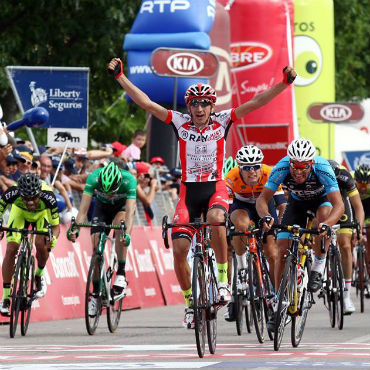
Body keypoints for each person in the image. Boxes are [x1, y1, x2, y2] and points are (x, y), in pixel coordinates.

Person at [107, 57, 297, 328]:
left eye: (203, 103)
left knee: (217, 219)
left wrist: (283, 83)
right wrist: (120, 78)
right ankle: (189, 304)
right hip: (188, 191)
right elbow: (148, 103)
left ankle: (222, 281)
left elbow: (255, 103)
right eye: (193, 103)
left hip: (214, 187)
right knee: (180, 249)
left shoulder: (223, 120)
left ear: (211, 106)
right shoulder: (179, 121)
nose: (198, 108)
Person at [256, 138, 344, 310]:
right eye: (294, 166)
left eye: (303, 167)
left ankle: (318, 266)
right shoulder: (281, 168)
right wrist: (266, 216)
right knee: (282, 248)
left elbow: (339, 205)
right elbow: (262, 199)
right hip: (297, 203)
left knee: (323, 220)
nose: (297, 171)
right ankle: (279, 301)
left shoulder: (323, 168)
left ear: (311, 163)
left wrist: (327, 224)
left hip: (321, 201)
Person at [224, 145, 286, 321]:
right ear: (239, 168)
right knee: (241, 226)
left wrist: (280, 226)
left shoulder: (270, 173)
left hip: (265, 206)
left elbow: (282, 205)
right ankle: (242, 266)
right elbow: (227, 210)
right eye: (246, 167)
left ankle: (276, 296)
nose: (252, 171)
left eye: (255, 166)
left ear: (261, 166)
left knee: (273, 253)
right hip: (241, 206)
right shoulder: (231, 177)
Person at [67, 161, 137, 316]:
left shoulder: (129, 180)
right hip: (102, 207)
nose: (110, 194)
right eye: (105, 190)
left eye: (112, 190)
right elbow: (83, 211)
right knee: (96, 244)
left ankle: (121, 272)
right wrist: (75, 229)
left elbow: (130, 211)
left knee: (121, 226)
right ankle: (96, 294)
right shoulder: (93, 178)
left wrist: (127, 234)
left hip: (121, 208)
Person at [0, 173, 60, 315]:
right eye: (26, 198)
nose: (30, 202)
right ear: (20, 193)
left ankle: (39, 274)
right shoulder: (12, 193)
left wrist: (53, 240)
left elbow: (56, 227)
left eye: (34, 197)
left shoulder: (48, 197)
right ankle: (6, 297)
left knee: (42, 243)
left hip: (41, 215)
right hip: (19, 213)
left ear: (39, 193)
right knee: (11, 248)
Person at [327, 160, 365, 313]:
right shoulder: (315, 176)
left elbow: (358, 207)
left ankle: (346, 295)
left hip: (341, 204)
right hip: (323, 204)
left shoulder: (344, 175)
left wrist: (358, 229)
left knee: (345, 245)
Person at [353, 163, 370, 294]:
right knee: (348, 237)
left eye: (366, 185)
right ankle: (353, 262)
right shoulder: (351, 186)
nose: (363, 188)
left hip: (368, 212)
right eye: (360, 185)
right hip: (354, 211)